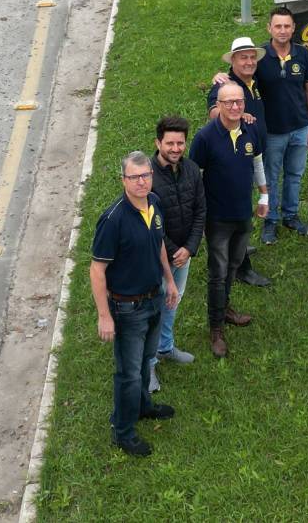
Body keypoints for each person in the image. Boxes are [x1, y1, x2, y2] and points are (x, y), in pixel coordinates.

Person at [88, 150, 181, 457]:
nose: (141, 182)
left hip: (154, 298)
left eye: (146, 175)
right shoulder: (113, 219)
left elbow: (158, 247)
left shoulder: (154, 204)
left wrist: (169, 280)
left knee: (145, 362)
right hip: (127, 309)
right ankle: (123, 431)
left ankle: (142, 406)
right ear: (123, 180)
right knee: (128, 372)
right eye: (134, 177)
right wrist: (105, 316)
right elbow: (97, 269)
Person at [190, 82, 269, 358]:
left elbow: (257, 163)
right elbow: (193, 179)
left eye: (239, 102)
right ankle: (216, 329)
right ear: (219, 106)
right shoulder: (205, 138)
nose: (235, 107)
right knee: (217, 273)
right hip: (217, 219)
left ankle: (225, 310)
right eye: (229, 102)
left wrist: (264, 197)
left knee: (234, 265)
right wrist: (198, 218)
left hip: (242, 214)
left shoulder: (251, 130)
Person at [206, 39, 276, 285]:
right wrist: (232, 113)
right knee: (240, 208)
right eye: (243, 58)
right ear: (232, 61)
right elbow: (213, 110)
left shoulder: (253, 82)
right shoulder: (226, 85)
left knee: (243, 207)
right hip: (236, 158)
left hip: (253, 150)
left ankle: (239, 248)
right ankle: (241, 268)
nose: (248, 62)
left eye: (251, 57)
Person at [147, 115, 204, 391]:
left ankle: (165, 347)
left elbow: (200, 211)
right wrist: (173, 251)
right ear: (158, 143)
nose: (176, 148)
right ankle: (147, 367)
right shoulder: (145, 177)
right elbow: (148, 223)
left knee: (173, 301)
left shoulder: (192, 170)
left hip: (184, 254)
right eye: (169, 143)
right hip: (156, 257)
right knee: (152, 310)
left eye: (180, 143)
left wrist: (189, 249)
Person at [257, 7, 308, 243]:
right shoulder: (260, 55)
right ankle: (270, 221)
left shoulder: (302, 54)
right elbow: (239, 76)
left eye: (287, 26)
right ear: (269, 28)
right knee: (271, 178)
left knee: (294, 174)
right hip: (272, 132)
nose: (282, 31)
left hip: (300, 128)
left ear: (293, 29)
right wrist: (219, 78)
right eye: (277, 26)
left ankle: (290, 215)